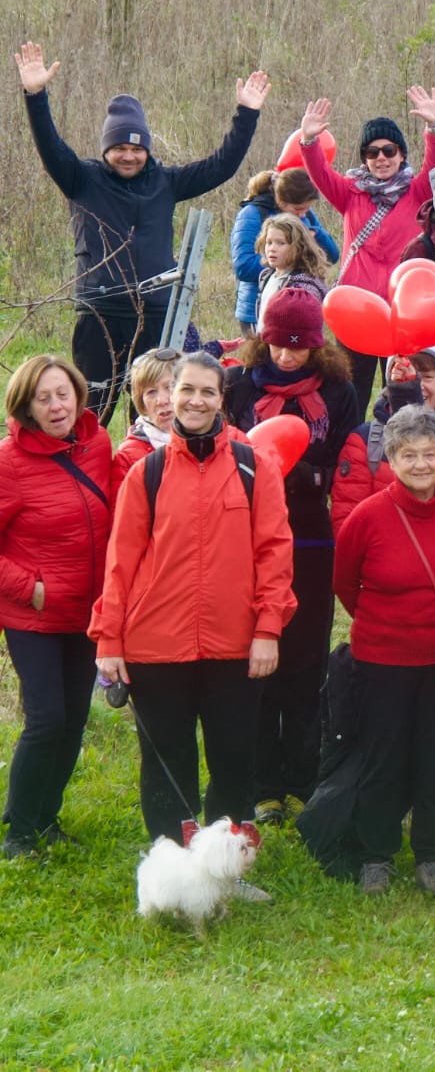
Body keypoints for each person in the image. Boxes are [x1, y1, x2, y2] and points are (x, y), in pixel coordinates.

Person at [90, 352, 296, 846]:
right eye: (186, 390)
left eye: (207, 391)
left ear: (222, 398)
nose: (195, 400)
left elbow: (275, 553)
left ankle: (225, 866)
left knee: (233, 761)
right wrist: (108, 640)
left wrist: (268, 629)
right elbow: (120, 562)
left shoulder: (254, 466)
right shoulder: (147, 473)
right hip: (155, 646)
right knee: (167, 766)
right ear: (169, 397)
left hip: (235, 643)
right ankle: (174, 864)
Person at [16, 42, 270, 421]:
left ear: (147, 150)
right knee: (90, 416)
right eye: (119, 148)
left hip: (155, 315)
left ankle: (145, 478)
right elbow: (50, 145)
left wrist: (246, 114)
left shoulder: (166, 182)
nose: (129, 156)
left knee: (153, 416)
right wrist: (35, 95)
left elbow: (221, 166)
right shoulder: (81, 179)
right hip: (100, 314)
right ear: (106, 150)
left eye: (137, 148)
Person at [224, 289, 360, 828]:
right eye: (278, 346)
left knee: (305, 663)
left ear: (316, 346)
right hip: (248, 540)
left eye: (298, 349)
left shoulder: (339, 389)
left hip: (311, 537)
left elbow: (347, 459)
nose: (286, 357)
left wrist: (309, 475)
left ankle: (302, 779)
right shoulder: (237, 385)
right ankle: (263, 786)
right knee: (260, 660)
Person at [332, 405, 435, 899]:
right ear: (390, 459)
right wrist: (383, 623)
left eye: (429, 454)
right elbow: (345, 583)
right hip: (381, 659)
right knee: (383, 759)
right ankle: (377, 856)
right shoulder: (366, 516)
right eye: (407, 455)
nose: (420, 465)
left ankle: (433, 857)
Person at [0, 356, 112, 858]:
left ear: (78, 394)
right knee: (46, 719)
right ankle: (19, 831)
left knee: (72, 721)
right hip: (35, 615)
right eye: (42, 398)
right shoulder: (9, 462)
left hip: (87, 613)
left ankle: (46, 817)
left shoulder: (98, 445)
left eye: (62, 394)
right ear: (26, 408)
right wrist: (31, 588)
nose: (55, 405)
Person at [296, 87, 435, 412]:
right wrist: (308, 142)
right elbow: (320, 174)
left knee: (406, 394)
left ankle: (403, 457)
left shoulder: (417, 192)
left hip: (402, 314)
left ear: (401, 154)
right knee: (350, 395)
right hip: (357, 313)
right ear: (364, 158)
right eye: (372, 152)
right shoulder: (350, 193)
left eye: (389, 150)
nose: (381, 158)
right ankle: (348, 457)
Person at [331, 350, 435, 537]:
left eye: (426, 376)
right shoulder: (364, 441)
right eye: (404, 375)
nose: (417, 384)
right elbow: (347, 520)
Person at [232, 167, 339, 337]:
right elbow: (243, 267)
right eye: (297, 210)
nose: (302, 214)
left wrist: (315, 234)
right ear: (281, 200)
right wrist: (290, 259)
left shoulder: (305, 215)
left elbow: (332, 256)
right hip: (257, 311)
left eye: (307, 208)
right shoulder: (252, 214)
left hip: (297, 308)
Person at [110, 347, 182, 503]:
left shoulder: (213, 440)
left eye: (170, 387)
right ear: (140, 401)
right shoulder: (129, 458)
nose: (162, 400)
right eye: (151, 392)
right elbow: (124, 522)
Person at [255, 213, 331, 324]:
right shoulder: (266, 276)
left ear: (298, 247)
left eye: (281, 243)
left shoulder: (304, 289)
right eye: (269, 242)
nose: (272, 249)